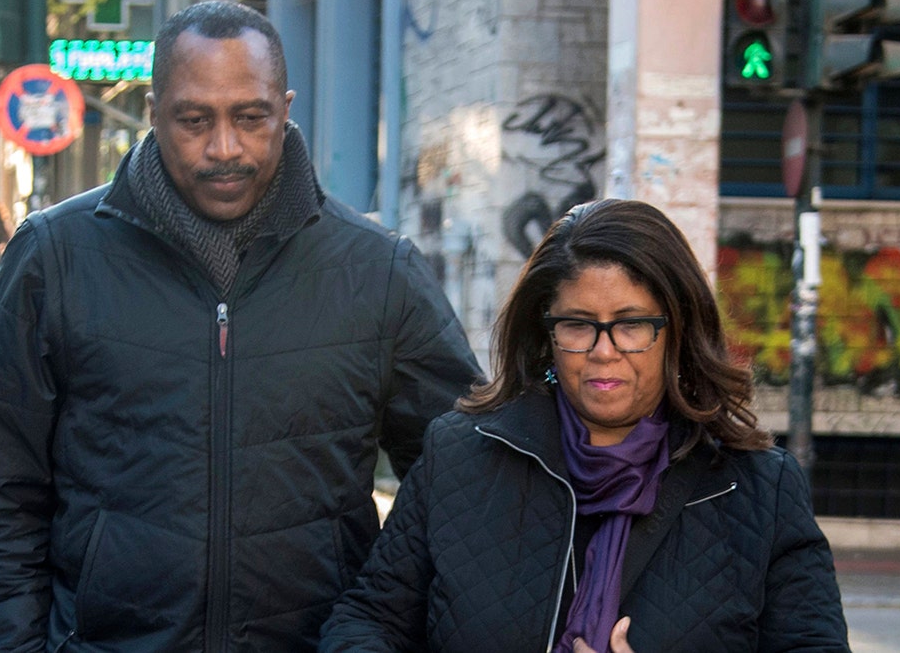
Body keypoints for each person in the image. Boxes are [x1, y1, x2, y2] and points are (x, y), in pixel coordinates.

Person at [0, 0, 480, 652]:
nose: (224, 147)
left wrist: (381, 626)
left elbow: (461, 472)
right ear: (153, 112)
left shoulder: (377, 271)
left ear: (285, 108)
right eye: (194, 120)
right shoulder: (55, 257)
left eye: (251, 118)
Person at [320, 199, 849, 652]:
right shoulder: (459, 456)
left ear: (678, 332)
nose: (603, 352)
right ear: (546, 334)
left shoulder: (758, 489)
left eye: (632, 324)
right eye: (577, 325)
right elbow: (367, 621)